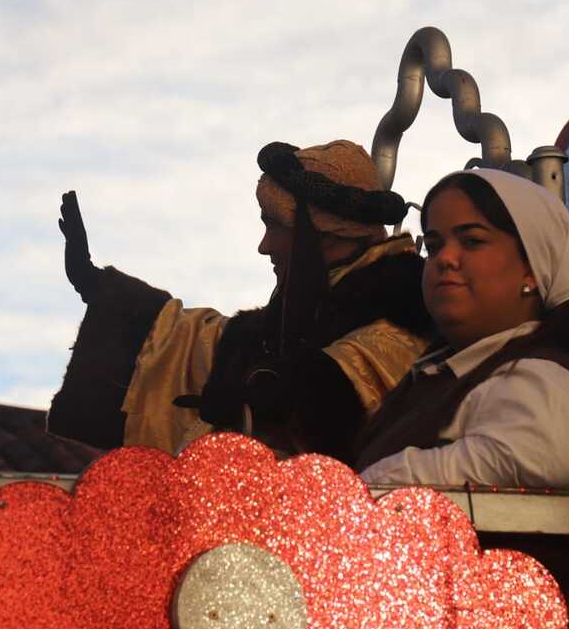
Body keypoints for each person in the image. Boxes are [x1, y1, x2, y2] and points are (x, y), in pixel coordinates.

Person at [47, 139, 434, 464]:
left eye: (274, 226)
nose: (264, 246)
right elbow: (198, 343)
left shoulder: (402, 322)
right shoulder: (291, 320)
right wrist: (98, 286)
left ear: (324, 235)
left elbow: (345, 399)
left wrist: (273, 398)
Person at [355, 169, 569, 490]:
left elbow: (532, 459)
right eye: (434, 245)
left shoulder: (544, 380)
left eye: (472, 241)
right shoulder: (437, 376)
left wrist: (362, 487)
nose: (445, 258)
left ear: (531, 268)